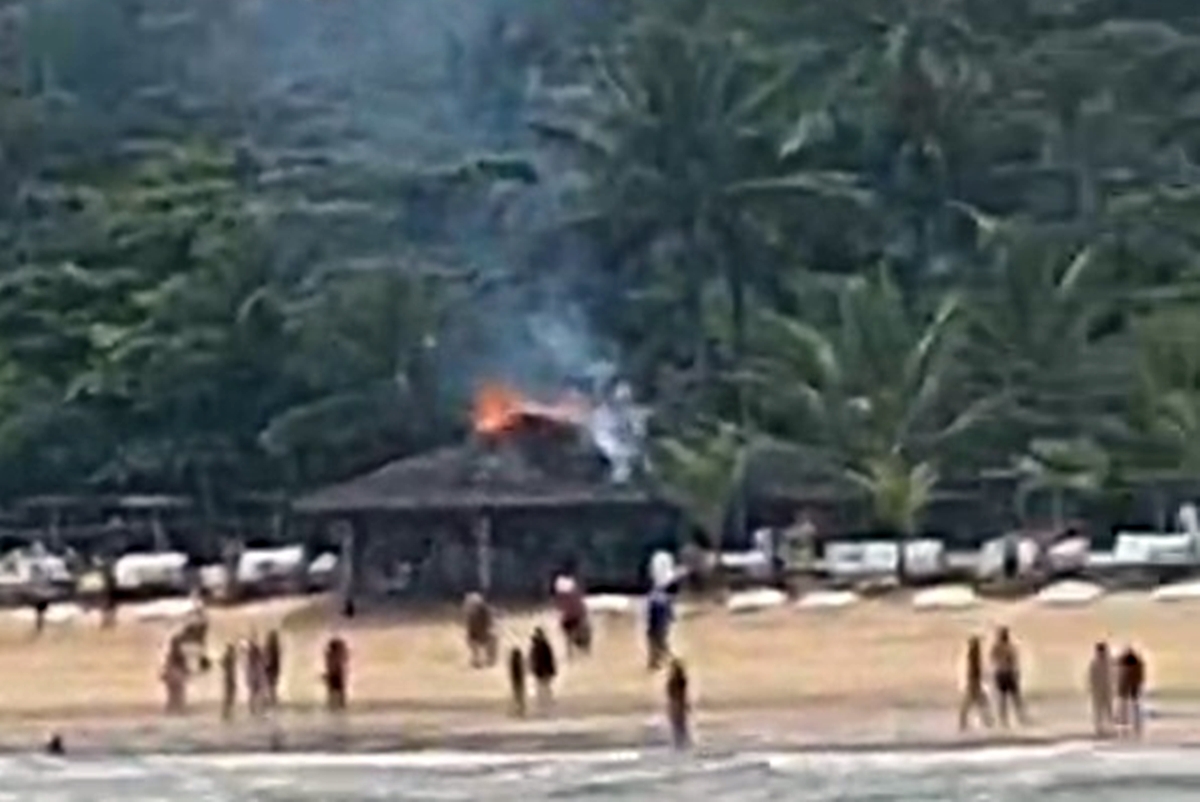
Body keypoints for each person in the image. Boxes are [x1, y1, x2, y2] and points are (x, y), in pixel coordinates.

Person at [990, 627, 1027, 727]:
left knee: (1004, 698)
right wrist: (1016, 673)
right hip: (1008, 673)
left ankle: (1005, 719)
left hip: (1001, 673)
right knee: (1014, 697)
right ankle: (1019, 717)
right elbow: (1014, 661)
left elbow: (993, 659)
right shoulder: (1009, 647)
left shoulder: (996, 647)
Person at [958, 636, 992, 731]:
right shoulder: (974, 656)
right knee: (981, 702)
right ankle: (987, 722)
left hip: (973, 682)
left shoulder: (972, 655)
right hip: (974, 682)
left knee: (975, 703)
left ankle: (964, 723)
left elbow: (973, 670)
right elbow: (975, 671)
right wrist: (976, 682)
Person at [554, 573, 591, 658]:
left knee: (570, 638)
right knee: (572, 637)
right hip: (573, 618)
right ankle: (576, 653)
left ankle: (572, 653)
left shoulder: (563, 595)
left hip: (572, 619)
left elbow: (560, 607)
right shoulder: (572, 594)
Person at [1116, 646, 1145, 738]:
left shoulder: (1124, 663)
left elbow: (1120, 674)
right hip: (1133, 685)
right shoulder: (1137, 663)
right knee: (1133, 704)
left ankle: (1124, 720)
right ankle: (1134, 721)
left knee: (1125, 703)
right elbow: (1140, 676)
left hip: (1128, 685)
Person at [464, 593, 498, 668]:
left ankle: (489, 659)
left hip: (484, 634)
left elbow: (491, 624)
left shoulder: (485, 611)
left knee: (493, 636)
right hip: (478, 635)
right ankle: (479, 659)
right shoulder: (472, 616)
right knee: (471, 640)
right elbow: (471, 632)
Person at [1088, 642, 1114, 737]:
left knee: (1109, 710)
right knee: (1099, 710)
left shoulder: (1110, 662)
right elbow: (1092, 678)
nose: (1103, 653)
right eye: (1101, 652)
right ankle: (1099, 729)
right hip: (1099, 690)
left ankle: (1110, 728)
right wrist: (1093, 689)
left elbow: (1113, 676)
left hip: (1107, 690)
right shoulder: (1095, 664)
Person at [529, 627, 557, 713]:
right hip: (540, 670)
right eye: (538, 634)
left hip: (544, 670)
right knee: (541, 686)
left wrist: (552, 669)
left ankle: (546, 700)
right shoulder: (537, 646)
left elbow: (550, 658)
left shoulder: (543, 645)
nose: (540, 636)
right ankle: (543, 700)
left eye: (540, 634)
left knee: (545, 685)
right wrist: (533, 668)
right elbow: (533, 659)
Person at [646, 588, 673, 670]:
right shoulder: (666, 600)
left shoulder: (654, 601)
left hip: (656, 627)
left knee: (657, 645)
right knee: (661, 644)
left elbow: (650, 617)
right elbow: (671, 616)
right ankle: (660, 661)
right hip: (661, 626)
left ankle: (658, 661)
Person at [666, 658, 690, 749]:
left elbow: (672, 693)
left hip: (677, 704)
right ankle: (681, 742)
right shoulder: (681, 680)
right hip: (678, 704)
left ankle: (679, 743)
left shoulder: (676, 681)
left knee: (678, 724)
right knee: (680, 724)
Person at [161, 635, 189, 714]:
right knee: (178, 693)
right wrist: (186, 672)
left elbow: (167, 665)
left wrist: (165, 674)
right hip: (177, 675)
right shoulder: (179, 654)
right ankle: (178, 710)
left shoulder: (170, 655)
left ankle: (171, 710)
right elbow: (183, 666)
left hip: (172, 675)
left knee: (172, 694)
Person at [323, 635, 349, 712]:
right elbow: (334, 666)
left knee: (336, 693)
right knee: (337, 693)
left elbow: (332, 666)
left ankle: (336, 707)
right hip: (336, 675)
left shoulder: (330, 655)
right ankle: (338, 707)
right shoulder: (332, 656)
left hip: (336, 675)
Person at [245, 636, 265, 716]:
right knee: (254, 692)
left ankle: (254, 708)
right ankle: (254, 708)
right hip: (254, 675)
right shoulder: (253, 657)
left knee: (254, 693)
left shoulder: (253, 657)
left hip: (255, 675)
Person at [263, 630, 282, 707]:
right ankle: (272, 700)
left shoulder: (269, 648)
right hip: (273, 669)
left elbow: (268, 659)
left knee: (270, 685)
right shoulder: (275, 648)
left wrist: (266, 667)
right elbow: (275, 660)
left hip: (270, 669)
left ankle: (271, 700)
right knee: (272, 686)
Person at [220, 642, 238, 721]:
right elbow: (224, 664)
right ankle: (227, 711)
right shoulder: (229, 656)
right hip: (230, 677)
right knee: (230, 694)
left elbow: (222, 664)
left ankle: (227, 711)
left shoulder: (227, 656)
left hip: (229, 677)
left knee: (229, 694)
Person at [508, 646, 527, 718]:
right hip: (519, 680)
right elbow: (521, 672)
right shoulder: (518, 661)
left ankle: (519, 710)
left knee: (517, 696)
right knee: (520, 696)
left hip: (516, 680)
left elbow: (514, 672)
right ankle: (520, 710)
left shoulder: (513, 661)